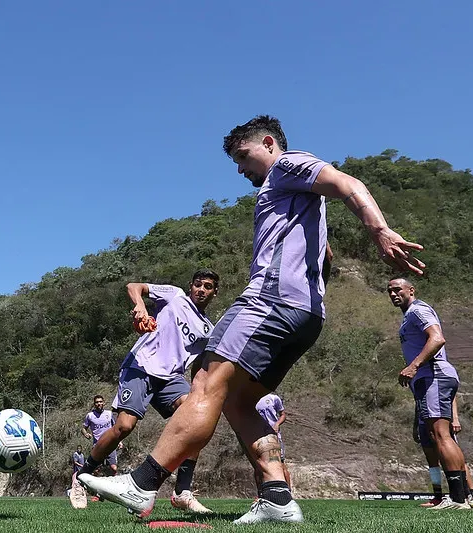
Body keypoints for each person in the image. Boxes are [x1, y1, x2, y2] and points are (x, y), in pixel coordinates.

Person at [79, 115, 425, 523]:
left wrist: (379, 230)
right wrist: (310, 298)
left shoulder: (286, 165)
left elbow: (348, 183)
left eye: (244, 157)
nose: (241, 169)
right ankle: (277, 497)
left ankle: (143, 482)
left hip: (270, 299)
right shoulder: (300, 203)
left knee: (206, 380)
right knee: (239, 401)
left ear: (268, 143)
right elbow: (326, 255)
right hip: (306, 315)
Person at [71, 271, 219, 514]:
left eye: (208, 286)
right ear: (190, 286)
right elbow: (134, 286)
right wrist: (140, 306)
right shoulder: (175, 296)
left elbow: (199, 365)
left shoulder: (207, 329)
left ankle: (182, 492)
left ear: (214, 292)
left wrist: (198, 390)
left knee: (197, 421)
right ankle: (81, 476)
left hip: (170, 378)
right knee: (124, 427)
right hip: (141, 366)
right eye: (198, 284)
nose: (201, 290)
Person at [387, 278, 470, 510]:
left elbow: (437, 338)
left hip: (434, 375)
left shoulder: (418, 310)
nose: (393, 294)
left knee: (441, 435)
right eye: (389, 291)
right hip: (429, 379)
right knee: (438, 436)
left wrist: (414, 366)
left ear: (411, 290)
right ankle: (461, 497)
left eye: (397, 290)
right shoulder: (408, 315)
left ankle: (459, 498)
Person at [415, 399, 473, 508]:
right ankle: (437, 497)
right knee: (431, 459)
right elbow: (418, 402)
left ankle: (471, 495)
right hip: (423, 420)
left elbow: (452, 397)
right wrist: (415, 424)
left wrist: (455, 419)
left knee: (454, 459)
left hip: (440, 418)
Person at [254, 393, 291, 493]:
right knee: (258, 466)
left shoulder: (273, 398)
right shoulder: (252, 398)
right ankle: (261, 494)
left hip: (273, 436)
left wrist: (277, 424)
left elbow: (283, 415)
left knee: (281, 464)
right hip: (258, 437)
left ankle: (288, 492)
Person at [80, 396, 117, 477]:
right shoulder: (90, 416)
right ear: (94, 404)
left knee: (114, 468)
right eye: (97, 402)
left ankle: (113, 481)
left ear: (104, 403)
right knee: (95, 470)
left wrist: (119, 441)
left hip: (110, 444)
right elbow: (83, 428)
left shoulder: (109, 414)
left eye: (100, 402)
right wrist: (86, 434)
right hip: (97, 445)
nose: (99, 403)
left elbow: (116, 428)